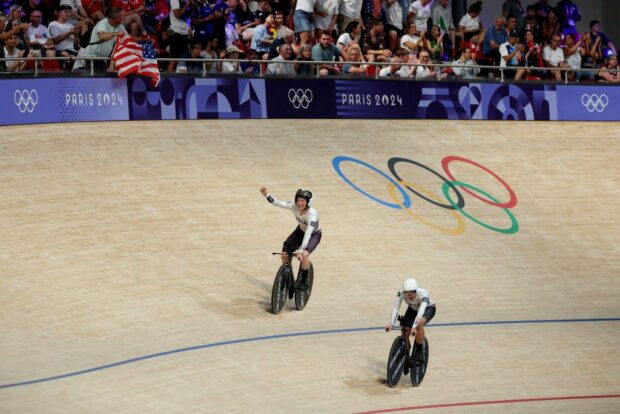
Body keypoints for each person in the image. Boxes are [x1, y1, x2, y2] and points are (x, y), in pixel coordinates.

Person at [259, 187, 321, 290]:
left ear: (309, 202)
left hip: (313, 235)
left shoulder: (313, 215)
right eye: (298, 200)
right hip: (300, 231)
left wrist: (301, 251)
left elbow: (308, 235)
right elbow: (279, 203)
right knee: (284, 254)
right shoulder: (294, 205)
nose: (299, 203)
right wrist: (267, 195)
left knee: (305, 254)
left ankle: (304, 280)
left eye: (302, 201)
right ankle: (288, 277)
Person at [385, 278, 436, 374]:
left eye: (412, 293)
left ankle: (419, 352)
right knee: (404, 327)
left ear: (416, 291)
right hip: (413, 308)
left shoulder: (423, 294)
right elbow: (396, 307)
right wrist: (392, 324)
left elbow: (421, 312)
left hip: (427, 309)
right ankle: (406, 356)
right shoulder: (401, 292)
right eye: (407, 293)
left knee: (419, 325)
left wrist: (414, 327)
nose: (409, 295)